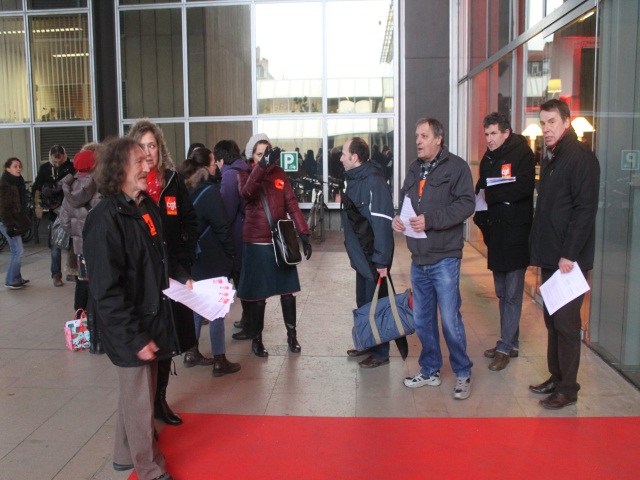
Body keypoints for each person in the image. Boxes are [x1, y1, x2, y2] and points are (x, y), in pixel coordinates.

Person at [83, 136, 178, 480]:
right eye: (138, 161)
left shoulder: (144, 206)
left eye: (147, 159)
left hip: (148, 316)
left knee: (136, 392)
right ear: (118, 169)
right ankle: (150, 470)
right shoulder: (104, 219)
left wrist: (182, 280)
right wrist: (134, 337)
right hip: (128, 324)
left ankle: (124, 453)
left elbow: (156, 260)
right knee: (140, 401)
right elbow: (106, 291)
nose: (146, 165)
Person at [392, 117, 475, 400]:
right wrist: (399, 218)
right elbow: (406, 199)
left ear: (439, 139)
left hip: (445, 258)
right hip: (419, 257)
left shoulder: (457, 167)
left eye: (423, 136)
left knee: (450, 319)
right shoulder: (414, 168)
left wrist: (431, 220)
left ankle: (463, 372)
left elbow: (466, 204)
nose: (418, 141)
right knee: (423, 320)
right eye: (416, 136)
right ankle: (430, 370)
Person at [528, 99, 600, 410]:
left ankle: (568, 389)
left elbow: (585, 211)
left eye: (552, 122)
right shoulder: (553, 156)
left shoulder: (580, 158)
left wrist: (569, 255)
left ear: (566, 122)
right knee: (552, 321)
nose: (546, 128)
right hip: (551, 257)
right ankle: (556, 377)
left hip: (569, 262)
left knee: (567, 326)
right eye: (543, 123)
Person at [128, 119, 198, 427]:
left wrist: (185, 256)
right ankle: (144, 406)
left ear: (160, 148)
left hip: (174, 272)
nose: (148, 152)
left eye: (152, 146)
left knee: (169, 338)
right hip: (145, 277)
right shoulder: (131, 188)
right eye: (142, 146)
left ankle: (160, 401)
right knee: (150, 338)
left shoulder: (172, 180)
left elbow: (190, 220)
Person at [236, 134, 312, 357]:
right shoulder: (245, 174)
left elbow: (291, 203)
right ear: (252, 156)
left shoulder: (279, 173)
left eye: (266, 153)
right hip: (257, 242)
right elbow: (247, 192)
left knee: (287, 292)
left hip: (280, 240)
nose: (263, 158)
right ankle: (257, 339)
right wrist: (262, 167)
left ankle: (292, 335)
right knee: (258, 296)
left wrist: (303, 233)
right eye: (259, 154)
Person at [473, 112, 535, 371]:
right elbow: (481, 187)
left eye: (494, 133)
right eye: (486, 134)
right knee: (501, 292)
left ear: (506, 133)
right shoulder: (488, 158)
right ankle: (511, 342)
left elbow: (524, 187)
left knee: (512, 294)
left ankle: (504, 347)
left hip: (516, 233)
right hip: (496, 233)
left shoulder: (523, 153)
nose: (489, 139)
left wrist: (494, 194)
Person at [180, 149, 240, 376]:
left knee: (197, 308)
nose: (216, 166)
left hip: (194, 257)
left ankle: (191, 351)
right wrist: (231, 254)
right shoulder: (210, 193)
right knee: (216, 309)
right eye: (214, 162)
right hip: (212, 257)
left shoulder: (185, 189)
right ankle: (219, 360)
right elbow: (222, 227)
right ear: (206, 166)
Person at [340, 137, 397, 368]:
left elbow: (382, 223)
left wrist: (382, 261)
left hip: (373, 258)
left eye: (344, 154)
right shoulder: (355, 179)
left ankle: (381, 353)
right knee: (364, 303)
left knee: (377, 305)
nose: (341, 158)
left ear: (355, 157)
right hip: (361, 257)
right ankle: (367, 342)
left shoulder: (374, 181)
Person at [59, 147, 104, 354]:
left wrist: (77, 235)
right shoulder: (99, 188)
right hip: (99, 249)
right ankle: (99, 339)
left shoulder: (69, 191)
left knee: (83, 285)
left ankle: (85, 332)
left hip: (80, 250)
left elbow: (64, 222)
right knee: (99, 289)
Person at [211, 139, 250, 333]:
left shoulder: (229, 176)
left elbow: (226, 212)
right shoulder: (245, 169)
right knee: (245, 279)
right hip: (248, 232)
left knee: (240, 280)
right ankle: (248, 320)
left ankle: (249, 323)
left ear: (221, 160)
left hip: (237, 235)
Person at [32, 144, 75, 287]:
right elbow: (36, 186)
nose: (57, 163)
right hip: (53, 210)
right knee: (55, 245)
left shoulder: (70, 167)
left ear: (64, 156)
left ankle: (72, 270)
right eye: (55, 161)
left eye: (60, 160)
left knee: (71, 243)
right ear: (51, 157)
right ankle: (56, 274)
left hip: (68, 208)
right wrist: (43, 190)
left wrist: (61, 188)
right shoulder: (45, 168)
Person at [0, 157, 30, 289]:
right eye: (15, 166)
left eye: (19, 166)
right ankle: (11, 279)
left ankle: (16, 277)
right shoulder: (5, 185)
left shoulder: (18, 182)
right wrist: (9, 225)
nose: (19, 169)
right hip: (7, 221)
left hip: (14, 220)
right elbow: (3, 207)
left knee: (17, 249)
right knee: (17, 250)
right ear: (8, 169)